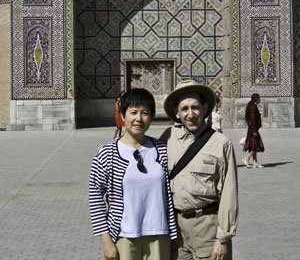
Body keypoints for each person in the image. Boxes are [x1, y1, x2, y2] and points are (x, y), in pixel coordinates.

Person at [89, 88, 177, 260]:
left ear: (151, 117)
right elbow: (95, 198)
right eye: (133, 112)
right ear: (122, 116)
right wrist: (106, 240)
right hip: (124, 237)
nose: (139, 118)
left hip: (160, 236)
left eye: (145, 113)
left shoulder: (162, 149)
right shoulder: (106, 153)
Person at [161, 80, 238, 260]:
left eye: (195, 107)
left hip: (207, 229)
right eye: (185, 109)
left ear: (205, 109)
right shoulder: (167, 138)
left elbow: (229, 191)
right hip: (176, 231)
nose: (190, 114)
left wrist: (223, 238)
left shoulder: (220, 143)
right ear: (177, 113)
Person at [242, 93, 265, 169]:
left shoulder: (252, 106)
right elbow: (252, 119)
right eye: (259, 98)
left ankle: (255, 162)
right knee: (255, 145)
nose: (260, 99)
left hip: (253, 129)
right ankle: (246, 158)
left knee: (254, 145)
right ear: (257, 99)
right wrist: (254, 130)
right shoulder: (252, 107)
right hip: (253, 130)